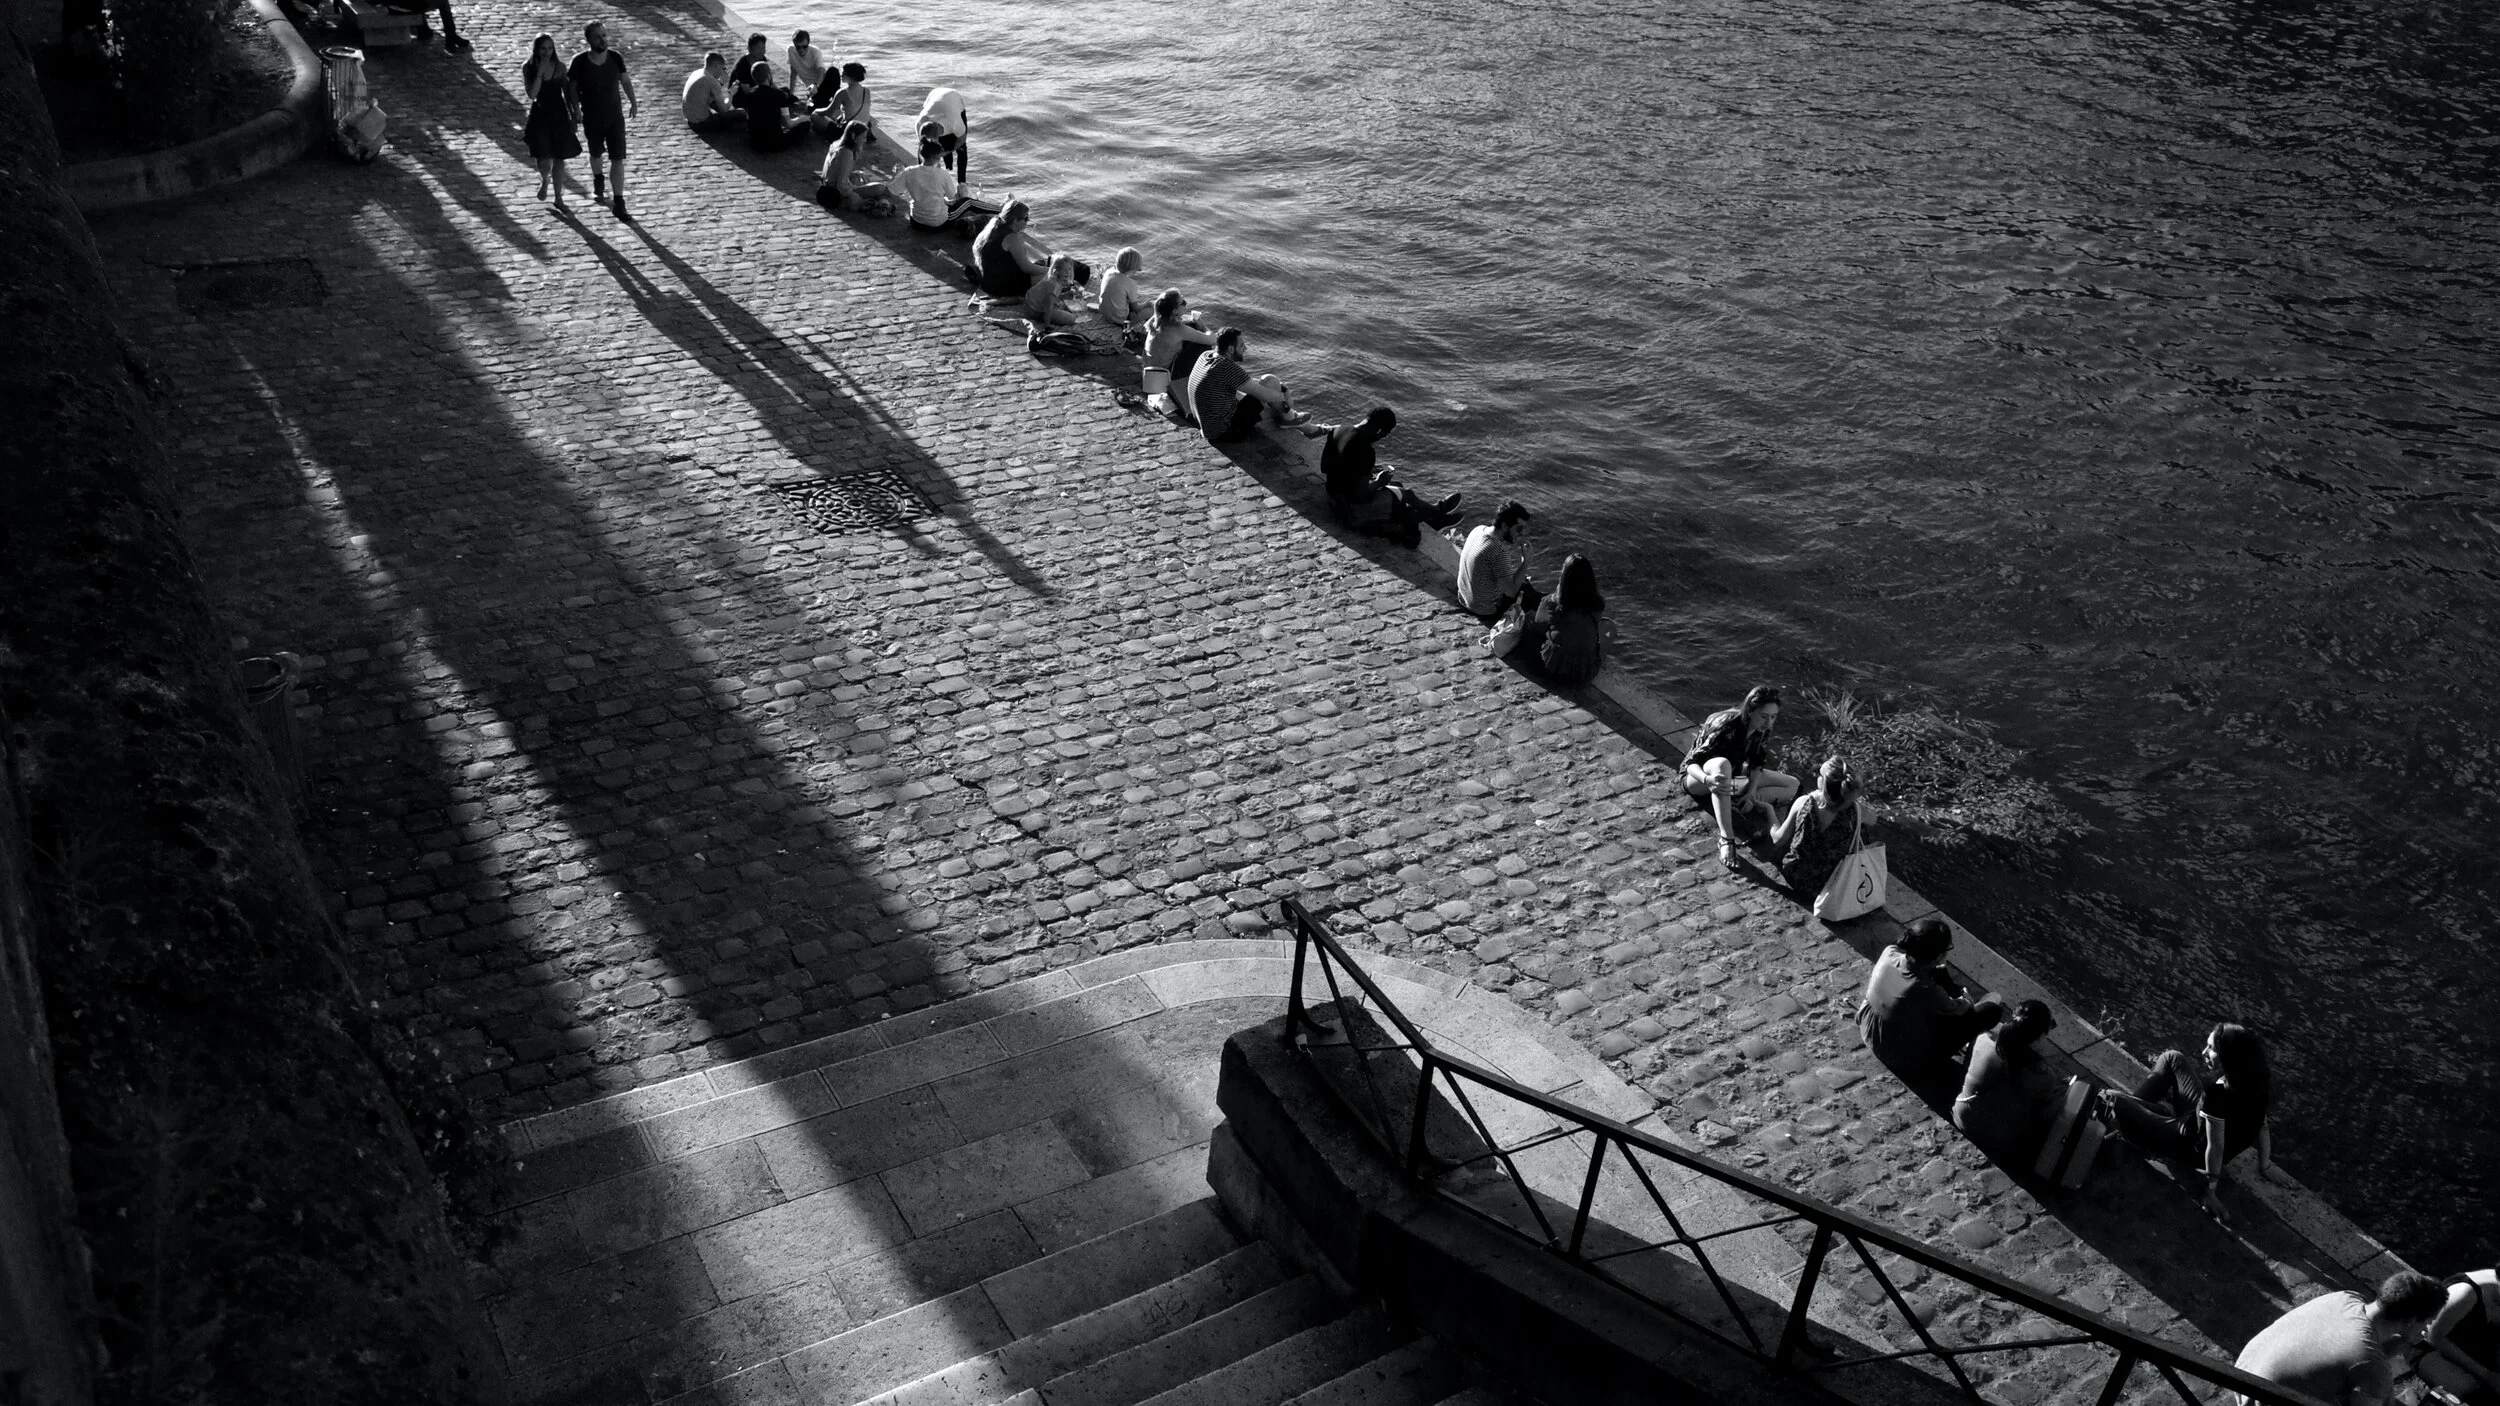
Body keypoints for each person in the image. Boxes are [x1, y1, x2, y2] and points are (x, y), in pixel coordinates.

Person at [2100, 1022, 2277, 1224]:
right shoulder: (2255, 1084)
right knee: (2172, 1058)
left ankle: (2132, 1121)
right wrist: (2266, 1164)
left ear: (2229, 1056)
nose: (2203, 1052)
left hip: (2185, 1143)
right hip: (2195, 1120)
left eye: (2211, 1049)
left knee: (2109, 1096)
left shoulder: (2219, 1097)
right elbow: (2262, 1126)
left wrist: (2210, 1191)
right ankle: (2136, 1116)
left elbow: (2216, 1146)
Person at [2234, 1273, 2446, 1406]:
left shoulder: (2346, 1297)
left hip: (2243, 1375)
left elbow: (2355, 1355)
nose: (2428, 1328)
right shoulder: (2372, 1366)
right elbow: (2366, 1365)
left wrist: (2403, 1342)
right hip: (2262, 1399)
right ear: (2410, 1321)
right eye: (2427, 1321)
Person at [1859, 917, 2004, 1078]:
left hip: (1869, 1027)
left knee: (1934, 983)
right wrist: (1965, 998)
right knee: (1991, 1006)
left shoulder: (1890, 952)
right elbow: (1963, 1008)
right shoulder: (1927, 990)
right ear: (1938, 955)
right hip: (1901, 1056)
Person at [1682, 684, 1802, 868]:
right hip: (1700, 779)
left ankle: (1741, 801)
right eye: (1764, 716)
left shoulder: (1762, 729)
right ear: (1750, 710)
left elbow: (1756, 764)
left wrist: (1751, 792)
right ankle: (1726, 838)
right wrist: (1708, 780)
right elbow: (1691, 763)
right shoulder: (1727, 725)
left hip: (1731, 778)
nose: (1768, 722)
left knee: (1792, 785)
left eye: (1773, 717)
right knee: (1722, 765)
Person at [1319, 408, 1459, 543]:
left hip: (1332, 492)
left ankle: (1435, 514)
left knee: (1397, 486)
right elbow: (1360, 495)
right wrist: (1379, 482)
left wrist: (1366, 471)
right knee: (1405, 494)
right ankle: (1437, 516)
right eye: (1384, 435)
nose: (1382, 438)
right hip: (1348, 508)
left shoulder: (1339, 430)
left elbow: (1325, 467)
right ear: (1379, 430)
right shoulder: (1365, 450)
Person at [1951, 1000, 2062, 1164]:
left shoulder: (1983, 1040)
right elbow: (2040, 1111)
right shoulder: (2044, 1076)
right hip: (1997, 1140)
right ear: (2039, 1037)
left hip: (1962, 1117)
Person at [1187, 328, 1308, 444]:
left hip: (1206, 425)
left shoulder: (1206, 356)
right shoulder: (1226, 368)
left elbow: (1247, 382)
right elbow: (1265, 395)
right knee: (1270, 381)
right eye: (1241, 345)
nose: (1245, 348)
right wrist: (1287, 395)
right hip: (1225, 433)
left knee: (1265, 385)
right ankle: (1289, 418)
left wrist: (1280, 388)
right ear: (1230, 349)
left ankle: (1290, 417)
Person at [1770, 755, 1868, 897]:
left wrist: (1769, 813)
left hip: (1797, 878)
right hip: (1832, 884)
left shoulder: (1804, 802)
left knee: (1795, 822)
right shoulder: (1855, 811)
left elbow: (1778, 840)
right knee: (1862, 827)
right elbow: (1874, 819)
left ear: (1822, 783)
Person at [568, 21, 637, 218]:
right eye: (598, 36)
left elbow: (625, 80)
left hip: (615, 117)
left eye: (604, 35)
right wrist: (575, 110)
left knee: (618, 158)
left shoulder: (615, 58)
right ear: (588, 40)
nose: (602, 39)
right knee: (596, 153)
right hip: (592, 117)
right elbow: (571, 88)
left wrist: (633, 101)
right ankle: (598, 178)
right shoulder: (579, 61)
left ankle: (619, 201)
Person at [1522, 553, 1605, 684]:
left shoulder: (1552, 603)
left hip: (1556, 671)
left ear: (1564, 576)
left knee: (1528, 620)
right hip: (1586, 673)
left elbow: (1538, 626)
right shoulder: (1598, 604)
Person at [2421, 1270, 2500, 1406]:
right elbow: (2433, 1337)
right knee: (2472, 1391)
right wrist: (2486, 1375)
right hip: (2429, 1349)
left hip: (2473, 1356)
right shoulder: (2465, 1291)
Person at [520, 33, 581, 207]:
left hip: (559, 114)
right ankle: (544, 179)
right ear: (536, 50)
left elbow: (568, 94)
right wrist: (540, 72)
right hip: (540, 114)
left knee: (560, 157)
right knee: (543, 157)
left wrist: (574, 114)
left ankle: (558, 197)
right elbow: (532, 94)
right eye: (543, 49)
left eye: (550, 48)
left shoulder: (560, 67)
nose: (547, 52)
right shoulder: (528, 67)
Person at [1142, 290, 1218, 418]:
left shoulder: (1155, 321)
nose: (1186, 303)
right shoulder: (1179, 329)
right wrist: (1203, 326)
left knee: (1191, 330)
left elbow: (1180, 326)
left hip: (1149, 372)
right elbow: (1212, 339)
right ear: (1175, 311)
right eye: (1182, 302)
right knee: (1203, 346)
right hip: (1166, 376)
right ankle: (1204, 380)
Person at [1456, 499, 1534, 615]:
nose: (1522, 533)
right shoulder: (1499, 552)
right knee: (1530, 595)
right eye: (1519, 528)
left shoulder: (1478, 530)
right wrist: (1525, 561)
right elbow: (1511, 592)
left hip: (1463, 598)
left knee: (1520, 579)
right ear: (1504, 526)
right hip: (1484, 609)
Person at [896, 138, 978, 229]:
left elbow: (898, 191)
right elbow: (952, 196)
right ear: (934, 157)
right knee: (969, 202)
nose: (940, 160)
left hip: (916, 221)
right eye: (939, 157)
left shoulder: (909, 171)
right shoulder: (942, 173)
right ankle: (997, 210)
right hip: (937, 224)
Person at [817, 121, 892, 214]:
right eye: (863, 137)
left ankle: (877, 203)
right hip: (835, 193)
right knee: (880, 188)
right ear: (853, 136)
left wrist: (854, 175)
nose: (865, 141)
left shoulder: (835, 145)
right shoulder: (846, 153)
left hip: (828, 188)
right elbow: (842, 185)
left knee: (859, 176)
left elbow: (834, 172)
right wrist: (854, 196)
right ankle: (875, 204)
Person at [972, 200, 1043, 296]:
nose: (1028, 221)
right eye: (1025, 218)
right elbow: (1027, 268)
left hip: (988, 282)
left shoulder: (992, 227)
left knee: (1042, 265)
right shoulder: (1011, 237)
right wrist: (1052, 269)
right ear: (1015, 220)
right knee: (1053, 277)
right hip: (1002, 287)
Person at [739, 61, 806, 152]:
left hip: (756, 143)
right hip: (776, 143)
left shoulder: (749, 95)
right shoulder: (779, 94)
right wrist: (801, 118)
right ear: (768, 76)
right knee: (805, 125)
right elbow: (787, 123)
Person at [1022, 253, 1088, 327]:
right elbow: (1049, 307)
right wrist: (1047, 325)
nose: (1068, 272)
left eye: (1069, 269)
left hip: (1030, 303)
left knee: (1062, 305)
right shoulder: (1054, 285)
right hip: (1035, 311)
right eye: (1064, 270)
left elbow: (1049, 295)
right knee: (1071, 319)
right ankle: (1045, 319)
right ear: (1057, 270)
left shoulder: (1054, 278)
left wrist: (1064, 295)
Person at [1097, 248, 1153, 331]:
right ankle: (1146, 330)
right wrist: (1146, 304)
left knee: (1125, 297)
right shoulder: (1131, 283)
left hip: (1105, 313)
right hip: (1120, 319)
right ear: (1134, 269)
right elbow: (1135, 308)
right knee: (1151, 310)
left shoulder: (1108, 272)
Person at [680, 52, 738, 133]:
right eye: (722, 68)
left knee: (718, 104)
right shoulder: (712, 82)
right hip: (702, 123)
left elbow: (708, 95)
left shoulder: (697, 72)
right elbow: (724, 109)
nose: (722, 72)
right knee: (741, 114)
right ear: (716, 66)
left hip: (690, 119)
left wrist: (720, 83)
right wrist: (731, 93)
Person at [917, 86, 968, 173]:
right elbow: (922, 148)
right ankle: (943, 168)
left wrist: (947, 152)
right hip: (933, 95)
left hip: (953, 97)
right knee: (929, 151)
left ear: (938, 135)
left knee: (961, 149)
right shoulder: (920, 124)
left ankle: (961, 181)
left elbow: (962, 139)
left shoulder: (955, 123)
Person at [784, 31, 827, 98]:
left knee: (833, 71)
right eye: (798, 47)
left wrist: (816, 85)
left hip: (821, 84)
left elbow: (821, 72)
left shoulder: (815, 52)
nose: (801, 50)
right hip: (810, 88)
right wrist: (791, 94)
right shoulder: (791, 50)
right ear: (794, 44)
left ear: (808, 44)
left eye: (804, 46)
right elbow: (793, 73)